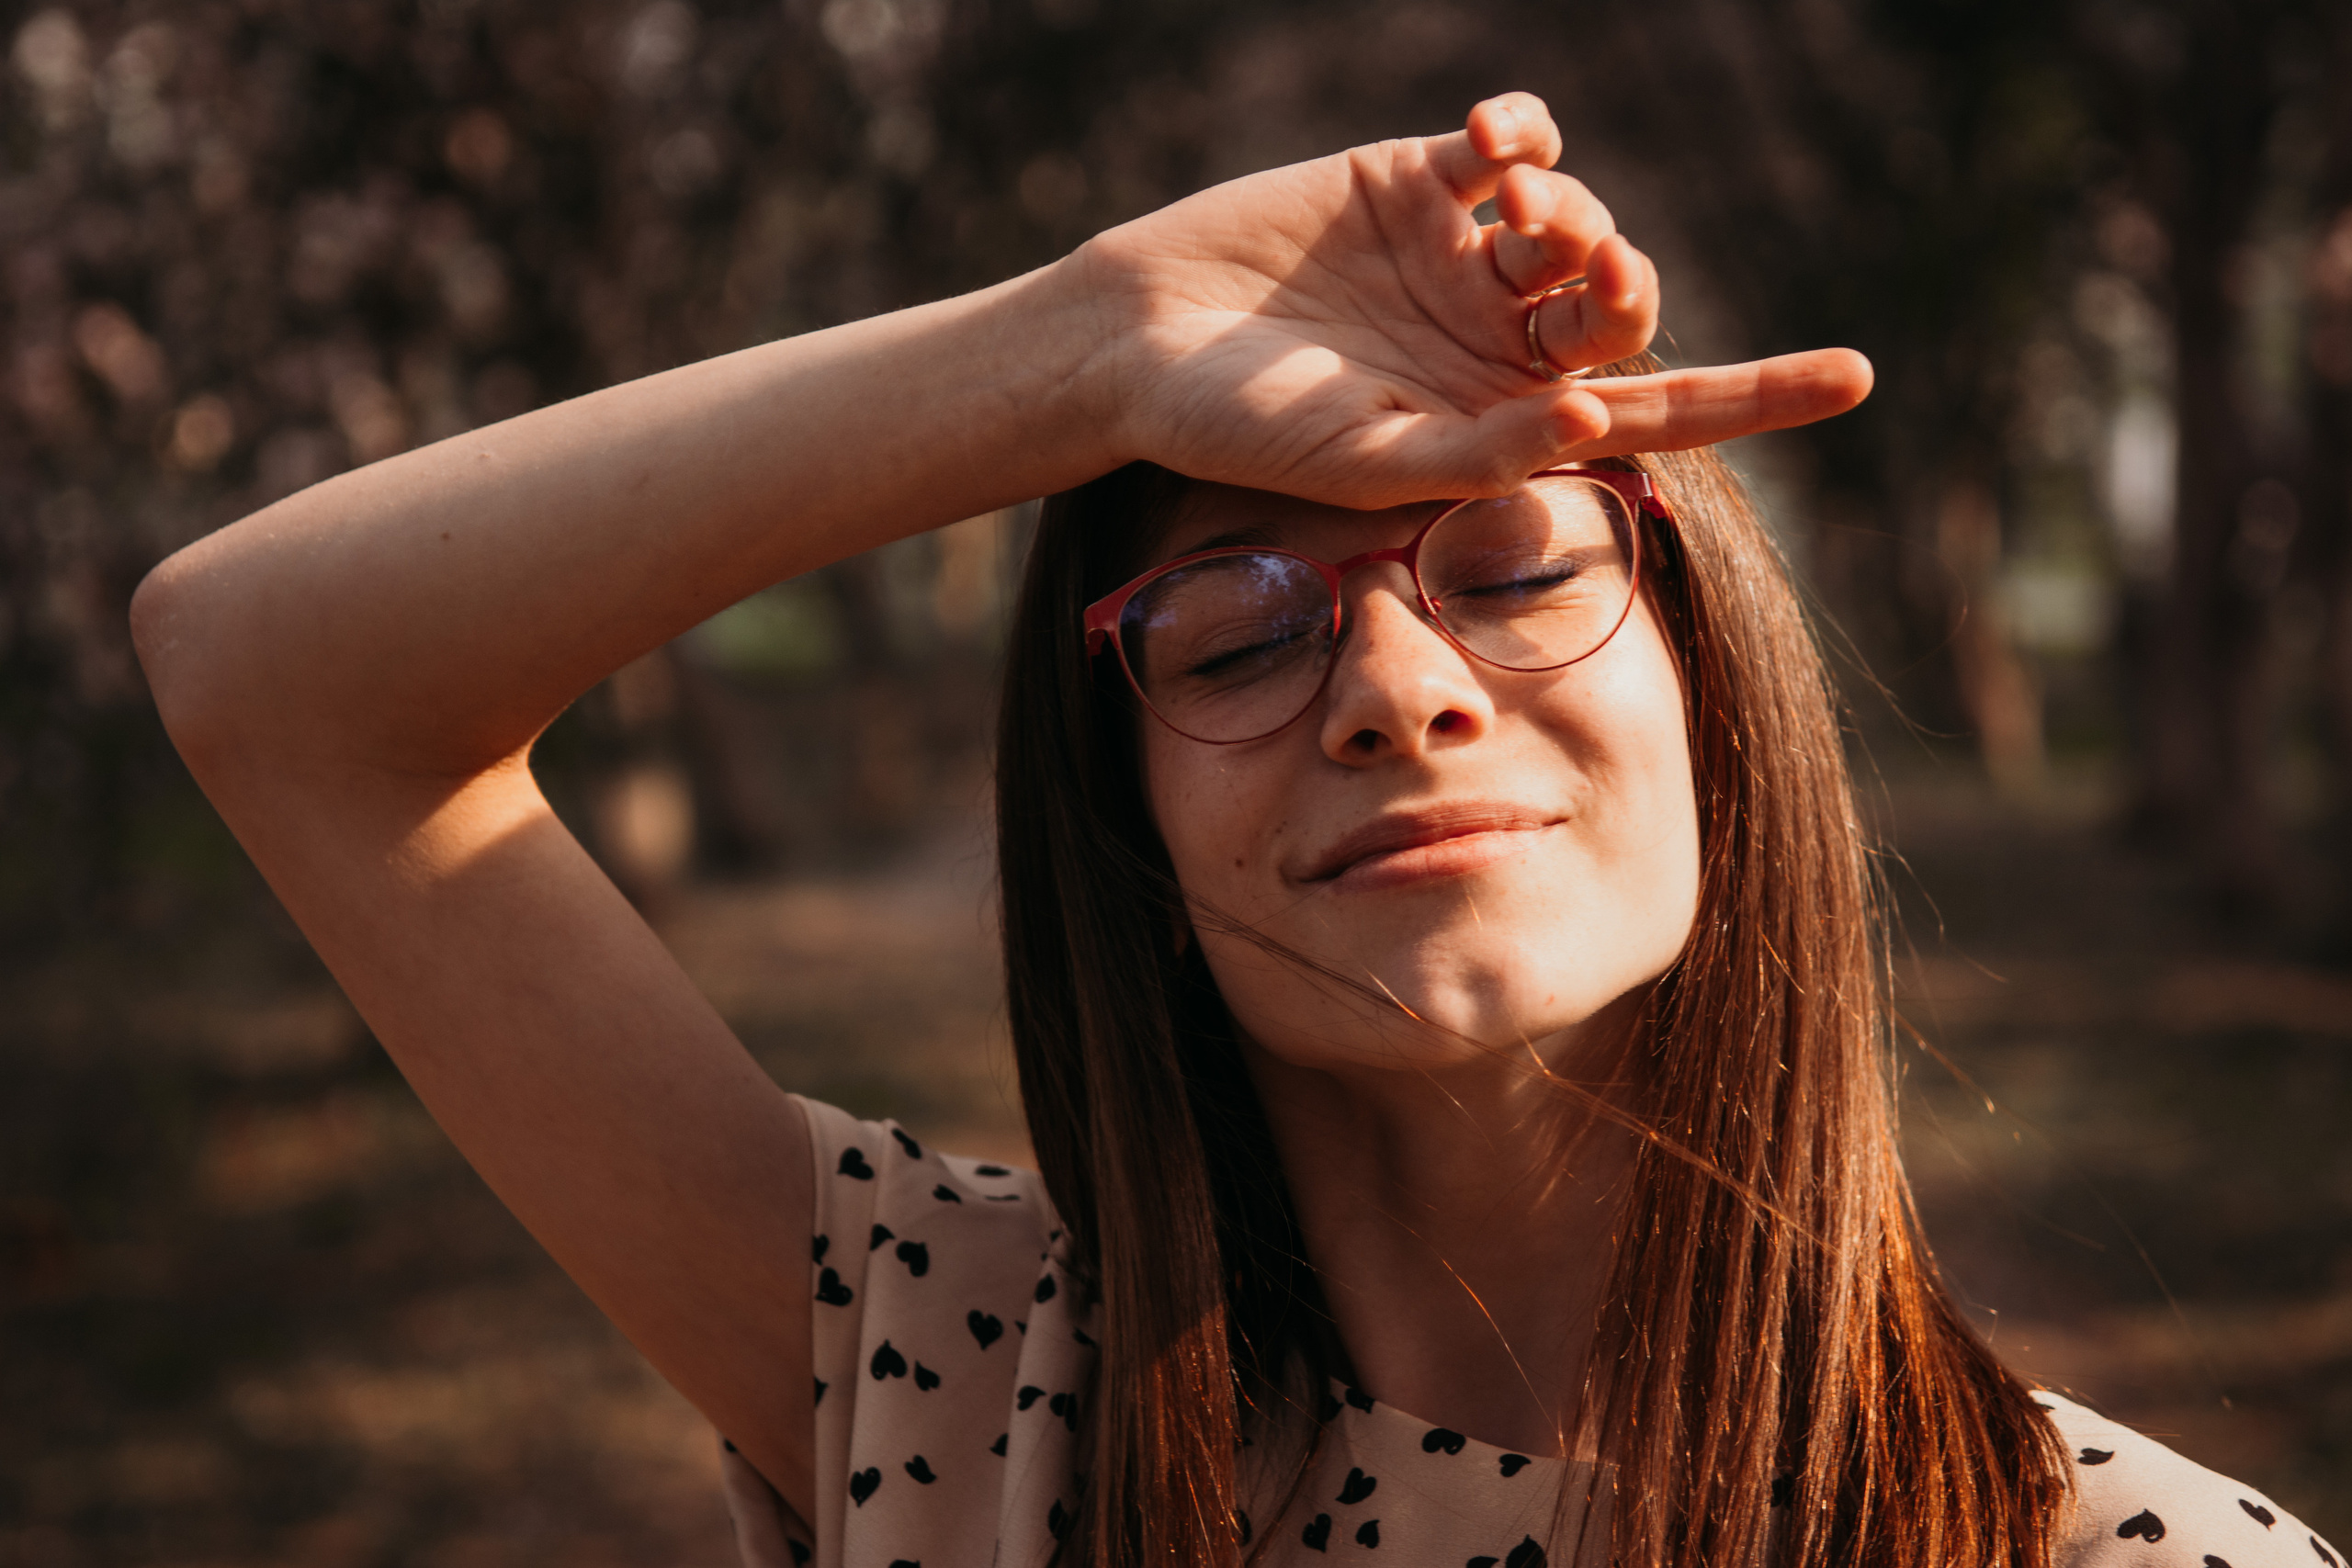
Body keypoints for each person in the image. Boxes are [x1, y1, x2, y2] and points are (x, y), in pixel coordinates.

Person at [131, 94, 2330, 1568]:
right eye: (1225, 632)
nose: (1391, 682)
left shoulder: (2145, 1556)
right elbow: (277, 671)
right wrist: (1082, 350)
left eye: (1514, 568)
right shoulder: (957, 1381)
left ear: (1722, 712)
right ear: (1127, 832)